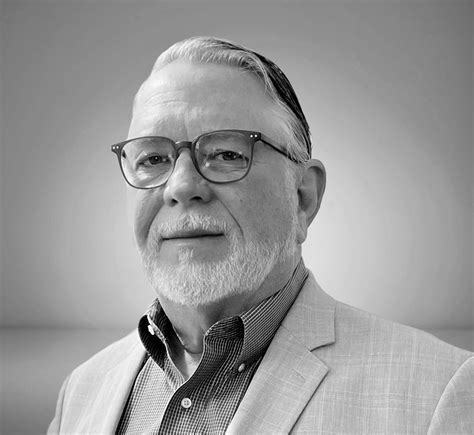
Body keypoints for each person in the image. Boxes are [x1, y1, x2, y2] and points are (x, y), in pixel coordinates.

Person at [48, 36, 473, 434]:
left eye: (226, 153)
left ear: (303, 197)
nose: (181, 186)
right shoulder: (83, 390)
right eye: (153, 159)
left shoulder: (439, 393)